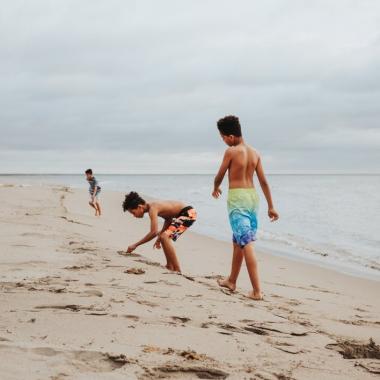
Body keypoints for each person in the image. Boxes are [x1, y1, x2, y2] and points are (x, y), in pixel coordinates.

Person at [212, 115, 279, 300]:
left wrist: (215, 186)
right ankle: (231, 280)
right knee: (238, 241)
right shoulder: (255, 153)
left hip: (237, 199)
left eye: (223, 137)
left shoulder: (232, 152)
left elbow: (219, 175)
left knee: (246, 243)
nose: (224, 141)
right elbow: (264, 181)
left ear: (231, 136)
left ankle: (257, 291)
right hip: (253, 199)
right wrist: (271, 206)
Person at [123, 192, 197, 272]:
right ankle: (170, 266)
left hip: (188, 213)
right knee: (163, 236)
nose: (134, 216)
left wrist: (135, 245)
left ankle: (177, 269)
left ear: (140, 207)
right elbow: (168, 219)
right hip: (184, 214)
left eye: (133, 213)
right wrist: (160, 236)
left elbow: (153, 232)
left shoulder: (153, 209)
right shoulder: (152, 207)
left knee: (164, 237)